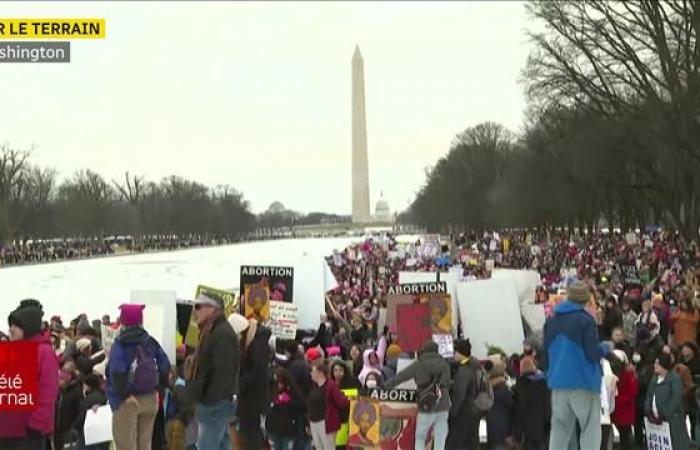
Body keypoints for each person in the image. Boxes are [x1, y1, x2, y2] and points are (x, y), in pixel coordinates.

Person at [543, 280, 609, 450]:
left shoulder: (551, 322)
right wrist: (606, 347)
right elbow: (592, 353)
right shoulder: (586, 320)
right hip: (583, 382)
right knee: (590, 428)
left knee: (559, 429)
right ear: (586, 300)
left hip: (558, 383)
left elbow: (546, 354)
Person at [106, 304, 171, 450]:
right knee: (145, 444)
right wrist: (159, 389)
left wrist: (126, 395)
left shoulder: (120, 344)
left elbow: (116, 372)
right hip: (150, 399)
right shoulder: (149, 341)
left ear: (123, 321)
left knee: (126, 445)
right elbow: (165, 364)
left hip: (127, 402)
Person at [0, 300, 59, 450]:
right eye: (10, 325)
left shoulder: (43, 352)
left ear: (27, 327)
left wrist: (34, 424)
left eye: (15, 326)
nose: (10, 330)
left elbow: (48, 393)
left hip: (27, 432)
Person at [186, 295, 239, 450]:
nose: (195, 311)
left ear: (213, 308)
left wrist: (210, 400)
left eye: (199, 306)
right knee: (222, 444)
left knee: (207, 445)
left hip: (215, 405)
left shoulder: (221, 333)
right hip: (216, 402)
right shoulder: (212, 330)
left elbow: (224, 372)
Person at [385, 340, 451, 450]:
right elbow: (447, 383)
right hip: (443, 404)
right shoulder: (445, 365)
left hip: (426, 404)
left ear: (424, 350)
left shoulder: (419, 364)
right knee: (440, 436)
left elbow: (401, 376)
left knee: (420, 436)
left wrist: (385, 386)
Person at [232, 312, 271, 450]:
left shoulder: (256, 345)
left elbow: (257, 371)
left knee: (250, 437)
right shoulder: (253, 342)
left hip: (252, 401)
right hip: (251, 400)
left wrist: (240, 384)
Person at [645, 353, 690, 449]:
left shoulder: (675, 379)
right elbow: (649, 394)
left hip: (672, 420)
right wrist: (648, 410)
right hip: (656, 421)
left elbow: (675, 399)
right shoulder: (655, 378)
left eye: (657, 363)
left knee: (675, 444)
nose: (654, 365)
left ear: (663, 365)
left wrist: (664, 414)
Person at [445, 339, 482, 450]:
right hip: (474, 412)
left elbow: (459, 394)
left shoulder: (464, 371)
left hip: (462, 414)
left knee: (456, 444)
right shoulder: (475, 366)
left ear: (458, 353)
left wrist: (451, 413)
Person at [308, 361, 350, 450]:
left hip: (326, 422)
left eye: (312, 371)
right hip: (313, 422)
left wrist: (348, 399)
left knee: (328, 447)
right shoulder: (314, 385)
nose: (310, 374)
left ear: (320, 373)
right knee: (319, 447)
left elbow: (341, 402)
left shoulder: (331, 385)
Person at [513, 356, 550, 450]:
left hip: (527, 429)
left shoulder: (521, 383)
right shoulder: (544, 382)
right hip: (542, 426)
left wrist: (517, 433)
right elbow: (548, 406)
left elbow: (519, 408)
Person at [266, 368, 304, 450]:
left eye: (281, 382)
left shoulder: (293, 392)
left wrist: (290, 399)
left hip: (288, 430)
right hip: (273, 429)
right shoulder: (270, 392)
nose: (279, 385)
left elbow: (300, 406)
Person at [611, 350, 638, 450]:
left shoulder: (629, 375)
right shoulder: (612, 374)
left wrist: (616, 399)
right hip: (615, 410)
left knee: (626, 435)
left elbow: (632, 393)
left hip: (625, 410)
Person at [485, 359, 515, 450]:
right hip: (503, 430)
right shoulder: (502, 388)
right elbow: (512, 405)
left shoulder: (487, 387)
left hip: (491, 429)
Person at [53, 364, 84, 450]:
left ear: (69, 377)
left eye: (61, 379)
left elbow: (81, 413)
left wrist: (73, 428)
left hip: (70, 435)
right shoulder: (60, 393)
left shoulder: (76, 393)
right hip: (58, 433)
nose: (58, 381)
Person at [75, 373, 109, 450]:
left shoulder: (90, 398)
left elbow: (83, 415)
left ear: (88, 385)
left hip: (88, 433)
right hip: (101, 433)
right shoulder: (102, 395)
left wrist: (74, 427)